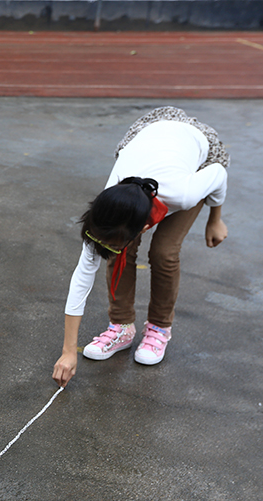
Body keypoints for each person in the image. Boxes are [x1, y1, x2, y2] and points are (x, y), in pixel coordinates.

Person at [52, 107, 230, 388]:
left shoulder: (183, 192)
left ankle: (159, 327)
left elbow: (218, 173)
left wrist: (215, 219)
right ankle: (121, 327)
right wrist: (67, 351)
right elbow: (81, 278)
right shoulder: (109, 205)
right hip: (148, 134)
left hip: (196, 153)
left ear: (144, 228)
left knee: (164, 251)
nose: (98, 244)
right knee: (118, 249)